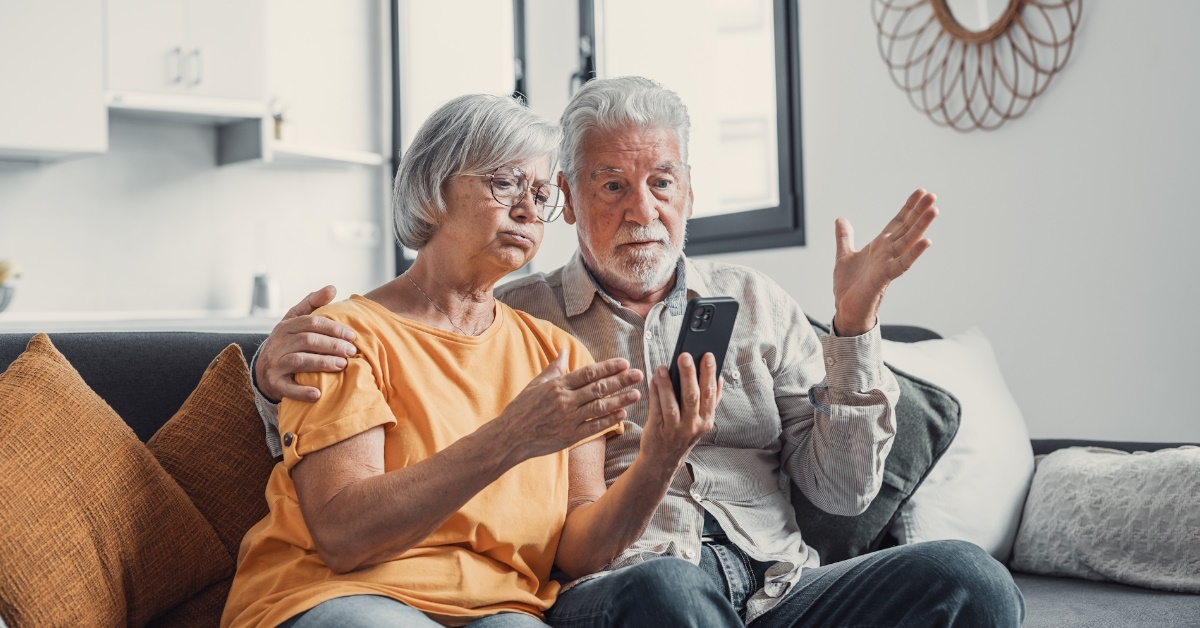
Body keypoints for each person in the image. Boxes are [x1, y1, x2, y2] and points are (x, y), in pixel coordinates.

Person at [252, 78, 1025, 626]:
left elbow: (847, 495)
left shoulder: (753, 304)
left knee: (968, 578)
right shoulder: (520, 313)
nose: (641, 210)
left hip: (781, 584)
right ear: (576, 196)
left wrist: (852, 330)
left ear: (689, 190)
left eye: (661, 181)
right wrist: (265, 371)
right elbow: (389, 354)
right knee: (668, 590)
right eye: (611, 185)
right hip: (636, 587)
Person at [222, 93, 728, 628]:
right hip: (339, 594)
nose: (528, 209)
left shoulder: (557, 354)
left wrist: (660, 456)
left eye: (539, 193)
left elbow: (577, 551)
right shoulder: (344, 335)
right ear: (435, 188)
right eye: (505, 183)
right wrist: (509, 438)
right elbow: (345, 536)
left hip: (500, 607)